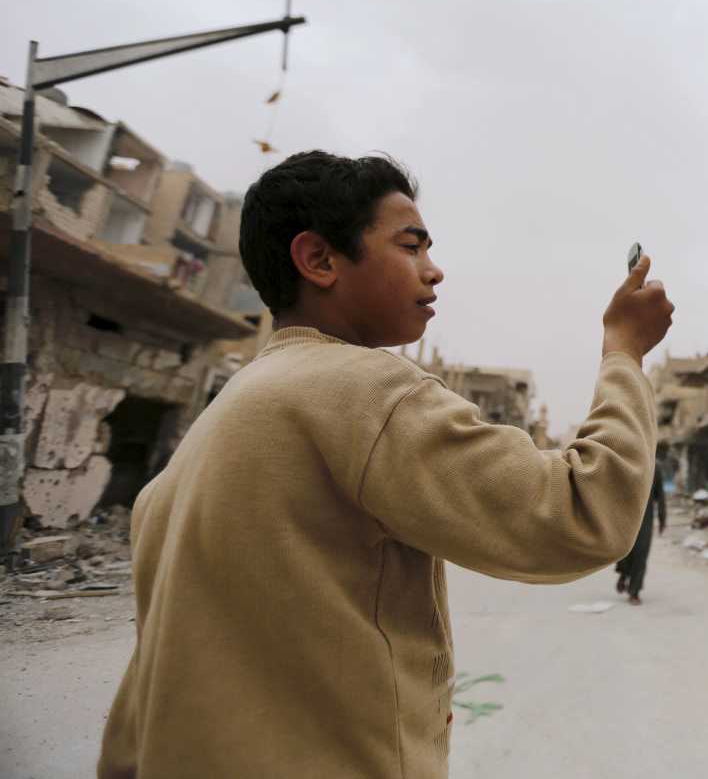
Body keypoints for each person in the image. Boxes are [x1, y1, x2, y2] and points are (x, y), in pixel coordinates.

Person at [97, 151, 673, 779]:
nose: (435, 271)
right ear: (319, 259)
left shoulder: (218, 421)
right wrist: (624, 353)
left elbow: (142, 700)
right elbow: (582, 513)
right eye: (411, 247)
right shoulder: (364, 391)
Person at [615, 464, 666, 605]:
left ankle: (634, 591)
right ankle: (623, 574)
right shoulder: (625, 461)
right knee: (625, 551)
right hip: (625, 516)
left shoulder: (656, 467)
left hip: (645, 519)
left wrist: (662, 518)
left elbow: (660, 495)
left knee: (641, 553)